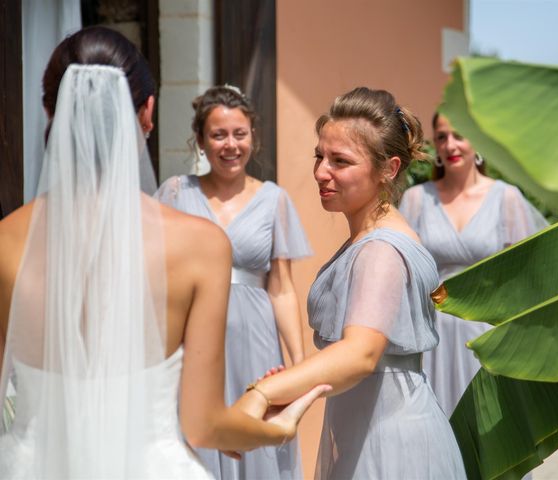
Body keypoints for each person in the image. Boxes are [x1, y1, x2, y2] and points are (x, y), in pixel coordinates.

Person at [0, 26, 327, 480]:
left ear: (50, 109)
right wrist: (276, 427)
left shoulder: (5, 240)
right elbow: (203, 424)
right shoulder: (201, 244)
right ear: (148, 112)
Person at [234, 87, 467, 479]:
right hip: (366, 429)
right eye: (319, 156)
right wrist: (290, 388)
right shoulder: (367, 239)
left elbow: (360, 354)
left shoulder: (381, 250)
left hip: (389, 445)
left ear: (389, 169)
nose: (321, 171)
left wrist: (260, 395)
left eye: (340, 161)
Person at [155, 85, 311, 479]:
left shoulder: (274, 199)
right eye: (218, 134)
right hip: (191, 341)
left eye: (239, 134)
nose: (230, 145)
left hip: (255, 341)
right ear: (201, 141)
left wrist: (299, 366)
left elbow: (282, 288)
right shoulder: (175, 192)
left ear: (252, 137)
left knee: (256, 445)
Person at [399, 113, 548, 418]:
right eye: (441, 137)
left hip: (489, 333)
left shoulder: (506, 198)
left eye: (458, 135)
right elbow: (403, 275)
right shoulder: (416, 199)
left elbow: (524, 280)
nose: (450, 144)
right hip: (433, 335)